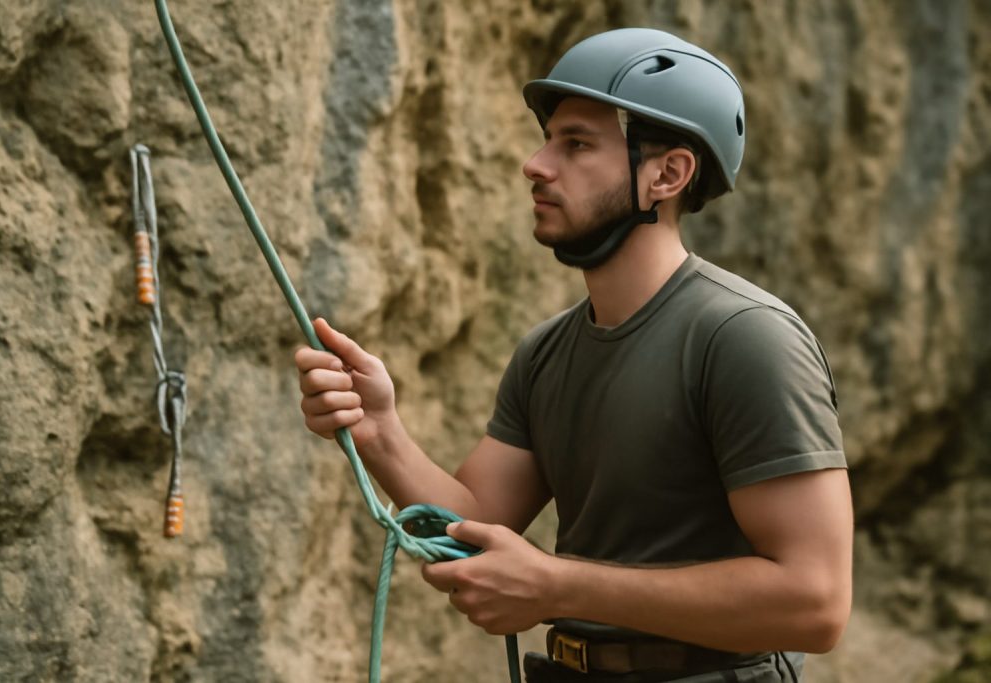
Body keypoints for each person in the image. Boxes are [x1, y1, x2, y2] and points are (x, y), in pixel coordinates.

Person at [295, 28, 852, 683]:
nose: (536, 163)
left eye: (577, 144)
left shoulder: (745, 338)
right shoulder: (546, 352)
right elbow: (477, 520)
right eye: (548, 139)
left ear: (667, 174)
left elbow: (815, 601)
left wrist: (557, 586)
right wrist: (379, 432)